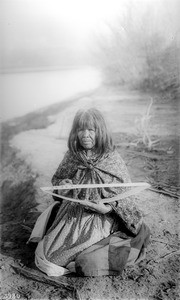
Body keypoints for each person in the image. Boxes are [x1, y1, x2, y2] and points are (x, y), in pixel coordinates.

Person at [29, 108, 150, 277]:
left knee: (81, 259)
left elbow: (125, 200)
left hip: (102, 219)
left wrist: (106, 209)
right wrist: (62, 184)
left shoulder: (112, 159)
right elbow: (57, 179)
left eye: (91, 130)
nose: (85, 135)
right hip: (71, 214)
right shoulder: (73, 155)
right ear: (75, 132)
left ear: (100, 131)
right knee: (50, 259)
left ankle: (85, 258)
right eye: (80, 129)